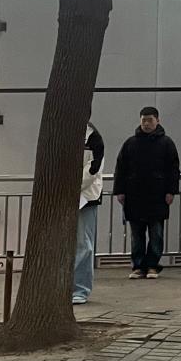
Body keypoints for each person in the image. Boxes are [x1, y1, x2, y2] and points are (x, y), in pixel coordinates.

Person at [113, 106, 180, 280]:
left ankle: (152, 266)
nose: (147, 124)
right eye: (144, 120)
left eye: (150, 120)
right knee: (136, 235)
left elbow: (173, 170)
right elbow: (120, 168)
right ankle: (138, 266)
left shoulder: (166, 143)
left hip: (158, 195)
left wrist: (171, 191)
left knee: (156, 233)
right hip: (134, 195)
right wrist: (119, 191)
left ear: (158, 121)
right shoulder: (130, 143)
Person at [72, 122, 104, 305]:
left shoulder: (93, 137)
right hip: (70, 195)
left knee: (83, 244)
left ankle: (80, 289)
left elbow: (92, 169)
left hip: (86, 197)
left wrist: (70, 185)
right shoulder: (63, 131)